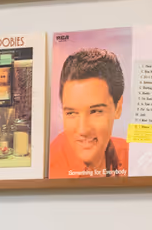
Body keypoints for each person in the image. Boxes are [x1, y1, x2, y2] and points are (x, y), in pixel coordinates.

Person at [48, 47, 128, 176]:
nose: (83, 130)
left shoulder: (131, 157)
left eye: (95, 111)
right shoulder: (50, 167)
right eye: (71, 113)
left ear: (118, 108)